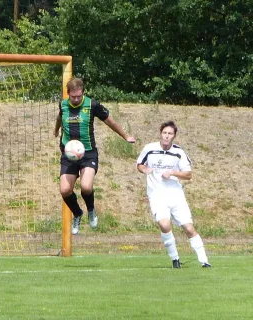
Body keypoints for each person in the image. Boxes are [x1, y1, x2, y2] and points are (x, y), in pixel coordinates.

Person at [54, 77, 135, 235]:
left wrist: (125, 136)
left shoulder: (92, 105)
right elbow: (59, 117)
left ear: (83, 92)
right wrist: (56, 129)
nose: (76, 99)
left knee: (86, 187)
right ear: (68, 93)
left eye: (79, 96)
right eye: (73, 96)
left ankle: (91, 210)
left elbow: (110, 122)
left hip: (88, 154)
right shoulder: (63, 105)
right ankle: (77, 213)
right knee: (64, 190)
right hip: (68, 155)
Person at [136, 121, 211, 268]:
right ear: (160, 133)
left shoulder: (179, 152)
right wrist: (144, 170)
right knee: (164, 225)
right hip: (156, 195)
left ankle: (204, 261)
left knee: (189, 228)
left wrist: (172, 172)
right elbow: (139, 164)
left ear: (174, 136)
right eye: (165, 133)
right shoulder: (149, 148)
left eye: (170, 134)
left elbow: (188, 174)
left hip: (175, 195)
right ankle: (175, 259)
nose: (166, 136)